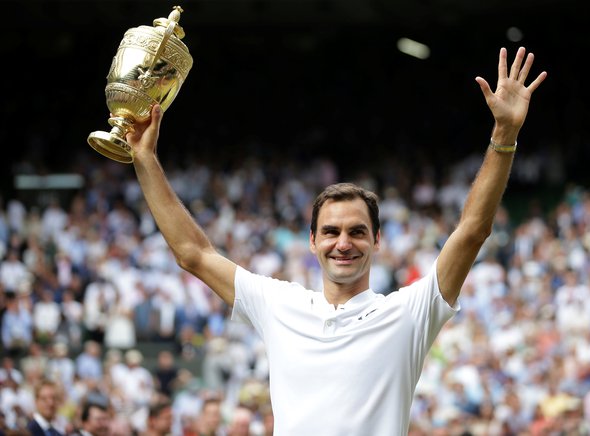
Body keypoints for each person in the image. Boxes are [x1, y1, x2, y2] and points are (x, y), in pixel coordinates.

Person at [126, 47, 546, 435]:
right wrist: (145, 159)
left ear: (377, 240)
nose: (343, 242)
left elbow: (472, 230)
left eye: (357, 231)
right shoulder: (278, 304)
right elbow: (193, 254)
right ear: (312, 241)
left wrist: (504, 136)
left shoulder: (408, 314)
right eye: (330, 231)